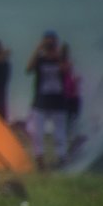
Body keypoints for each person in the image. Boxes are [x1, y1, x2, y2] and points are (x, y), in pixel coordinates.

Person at [26, 31, 72, 168]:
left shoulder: (62, 57)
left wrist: (58, 56)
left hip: (58, 101)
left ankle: (62, 157)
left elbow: (67, 70)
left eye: (51, 42)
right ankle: (39, 158)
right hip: (41, 100)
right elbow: (28, 69)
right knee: (36, 131)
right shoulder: (40, 59)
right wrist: (38, 49)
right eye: (47, 42)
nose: (49, 45)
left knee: (59, 132)